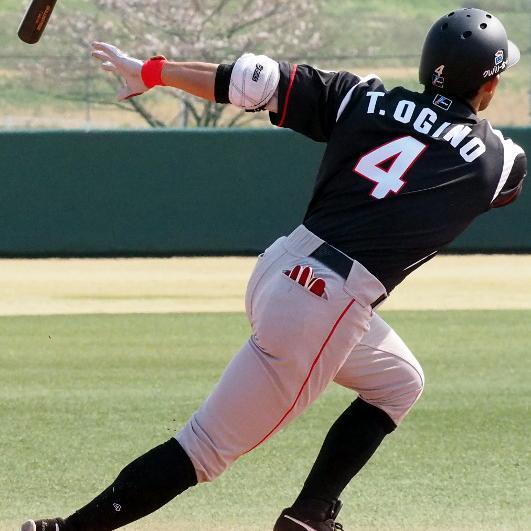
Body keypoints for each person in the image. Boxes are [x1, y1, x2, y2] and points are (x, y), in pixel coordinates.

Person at [23, 7, 526, 531]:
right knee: (203, 450)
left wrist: (154, 72)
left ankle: (309, 515)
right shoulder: (497, 160)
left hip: (282, 265)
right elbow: (505, 177)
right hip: (326, 302)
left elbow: (249, 80)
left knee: (398, 380)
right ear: (487, 87)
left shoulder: (362, 96)